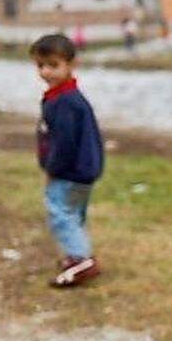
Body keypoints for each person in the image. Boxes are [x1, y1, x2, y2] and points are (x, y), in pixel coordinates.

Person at [29, 33, 104, 288]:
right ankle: (75, 255)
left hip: (69, 171)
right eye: (41, 66)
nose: (46, 72)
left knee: (61, 213)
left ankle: (82, 260)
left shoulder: (65, 102)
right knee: (74, 214)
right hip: (84, 170)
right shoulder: (63, 97)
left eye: (53, 65)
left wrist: (52, 168)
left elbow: (64, 142)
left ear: (71, 65)